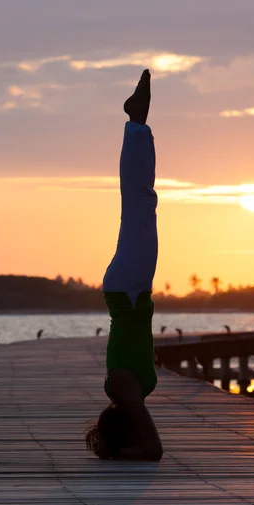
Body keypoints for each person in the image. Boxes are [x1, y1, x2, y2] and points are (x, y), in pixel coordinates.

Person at [86, 70, 163, 461]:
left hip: (128, 290)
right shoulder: (129, 393)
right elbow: (149, 447)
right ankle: (137, 125)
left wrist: (117, 453)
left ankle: (136, 123)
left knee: (139, 203)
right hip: (129, 289)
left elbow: (154, 451)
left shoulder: (122, 388)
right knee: (140, 205)